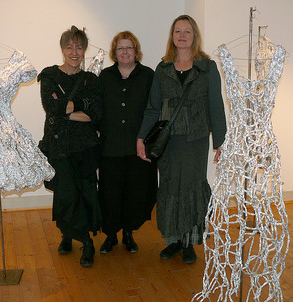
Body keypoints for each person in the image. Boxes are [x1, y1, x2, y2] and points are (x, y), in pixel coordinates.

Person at [137, 15, 227, 264]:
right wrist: (141, 138)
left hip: (196, 140)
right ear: (173, 37)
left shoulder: (207, 67)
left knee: (191, 188)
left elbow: (216, 106)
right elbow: (153, 108)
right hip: (168, 141)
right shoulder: (163, 68)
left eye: (187, 31)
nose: (182, 35)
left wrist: (220, 141)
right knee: (169, 187)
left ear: (194, 36)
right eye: (178, 31)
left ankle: (190, 242)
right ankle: (174, 239)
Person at [37, 26, 102, 267]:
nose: (74, 52)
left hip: (85, 147)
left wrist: (66, 109)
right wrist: (79, 106)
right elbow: (51, 108)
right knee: (65, 194)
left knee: (85, 193)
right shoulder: (50, 75)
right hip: (59, 146)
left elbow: (95, 114)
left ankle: (86, 242)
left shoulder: (91, 80)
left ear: (85, 50)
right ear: (62, 49)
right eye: (69, 46)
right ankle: (69, 235)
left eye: (79, 46)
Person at [98, 31, 157, 254]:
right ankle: (111, 235)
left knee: (135, 193)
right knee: (110, 194)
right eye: (120, 48)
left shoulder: (148, 76)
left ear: (136, 50)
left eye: (129, 47)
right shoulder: (104, 77)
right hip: (110, 147)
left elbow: (155, 109)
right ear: (115, 52)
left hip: (138, 148)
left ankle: (129, 234)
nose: (125, 52)